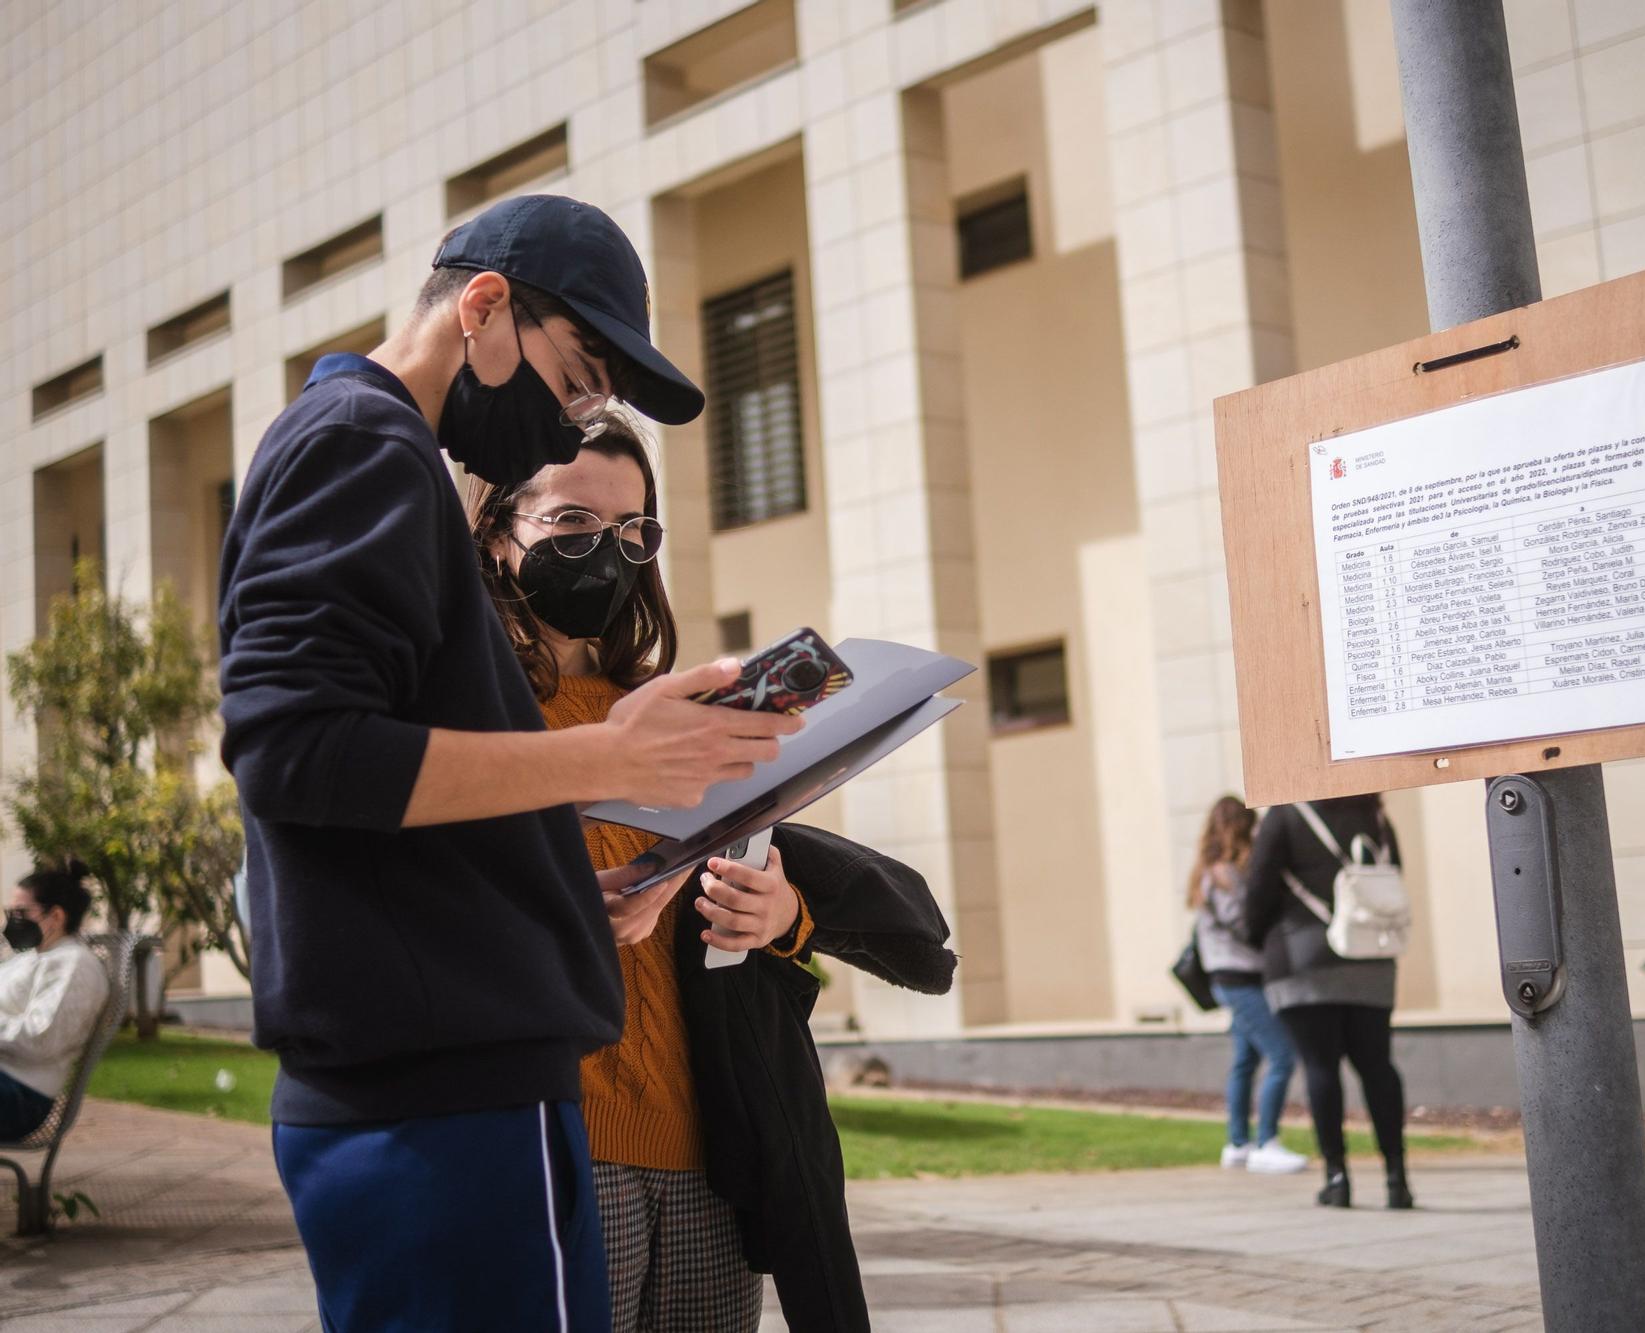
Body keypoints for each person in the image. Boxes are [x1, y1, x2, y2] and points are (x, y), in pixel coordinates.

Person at [218, 194, 803, 1329]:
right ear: (483, 307)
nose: (572, 422)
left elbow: (367, 775)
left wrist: (549, 879)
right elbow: (297, 751)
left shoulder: (372, 448)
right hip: (443, 1099)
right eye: (577, 380)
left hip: (442, 1088)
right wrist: (607, 753)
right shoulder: (362, 440)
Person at [466, 416, 958, 1331]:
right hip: (554, 1148)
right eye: (571, 523)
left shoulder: (676, 713)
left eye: (630, 531)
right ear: (497, 534)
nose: (604, 554)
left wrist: (781, 913)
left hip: (710, 1159)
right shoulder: (462, 714)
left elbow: (728, 886)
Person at [1241, 796, 1412, 1209]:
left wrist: (1256, 938)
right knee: (1377, 1066)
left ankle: (1337, 1178)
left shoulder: (1285, 814)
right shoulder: (1375, 815)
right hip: (1369, 956)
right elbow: (1392, 876)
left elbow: (1258, 889)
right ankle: (1397, 1179)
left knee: (1321, 1067)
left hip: (1303, 956)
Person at [1189, 796, 1305, 1174]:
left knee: (1245, 1060)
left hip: (1234, 978)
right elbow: (1245, 924)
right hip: (1238, 979)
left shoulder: (1210, 872)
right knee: (1283, 1055)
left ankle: (1238, 1144)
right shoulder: (1224, 874)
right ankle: (1266, 1142)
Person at [0, 861, 111, 1140]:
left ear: (56, 916)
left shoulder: (74, 965)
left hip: (20, 1095)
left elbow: (42, 1039)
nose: (12, 920)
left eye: (21, 912)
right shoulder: (31, 957)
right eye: (10, 913)